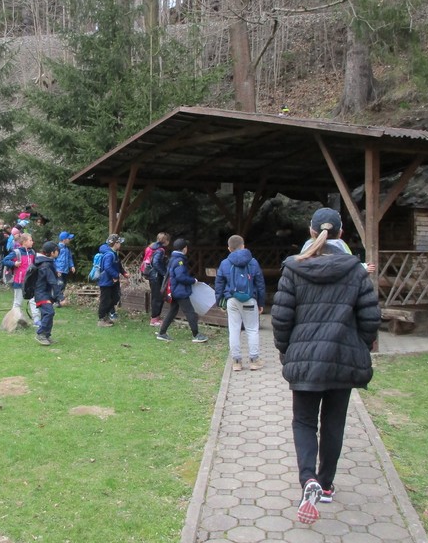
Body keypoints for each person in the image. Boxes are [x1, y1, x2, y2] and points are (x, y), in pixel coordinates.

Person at [271, 207, 381, 524]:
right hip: (342, 361)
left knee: (304, 422)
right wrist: (357, 347)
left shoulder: (294, 268)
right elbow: (370, 318)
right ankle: (327, 483)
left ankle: (308, 479)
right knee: (334, 423)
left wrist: (287, 351)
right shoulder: (356, 271)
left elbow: (281, 318)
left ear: (311, 231)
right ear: (341, 234)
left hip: (305, 360)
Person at [214, 234, 267, 371]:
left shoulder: (225, 263)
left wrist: (219, 301)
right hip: (250, 299)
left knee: (234, 329)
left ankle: (236, 361)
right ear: (243, 246)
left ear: (229, 248)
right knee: (252, 329)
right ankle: (254, 360)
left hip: (232, 300)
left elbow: (219, 284)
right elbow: (260, 284)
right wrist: (261, 303)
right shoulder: (253, 262)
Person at [155, 239, 208, 343]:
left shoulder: (173, 258)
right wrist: (193, 280)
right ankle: (196, 335)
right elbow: (180, 277)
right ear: (185, 249)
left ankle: (162, 333)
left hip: (174, 289)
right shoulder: (180, 260)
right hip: (180, 291)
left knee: (173, 311)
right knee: (190, 312)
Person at [1, 232, 40, 325]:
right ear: (24, 242)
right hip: (19, 281)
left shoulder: (32, 252)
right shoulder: (17, 252)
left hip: (30, 282)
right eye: (30, 240)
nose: (32, 242)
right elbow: (4, 260)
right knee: (17, 302)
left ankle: (37, 320)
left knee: (33, 300)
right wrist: (14, 264)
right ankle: (13, 321)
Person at [33, 241, 64, 345]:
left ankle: (46, 335)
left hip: (45, 293)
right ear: (52, 252)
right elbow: (52, 282)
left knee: (47, 313)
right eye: (57, 250)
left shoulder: (46, 262)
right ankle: (40, 334)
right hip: (41, 294)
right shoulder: (45, 264)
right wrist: (60, 297)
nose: (58, 252)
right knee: (49, 312)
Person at [95, 234, 125, 327]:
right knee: (105, 300)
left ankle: (106, 316)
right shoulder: (109, 254)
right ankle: (101, 319)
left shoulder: (114, 253)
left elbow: (118, 265)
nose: (120, 244)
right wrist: (115, 275)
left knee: (116, 297)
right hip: (106, 282)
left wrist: (124, 273)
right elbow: (107, 267)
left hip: (112, 282)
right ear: (115, 243)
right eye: (119, 242)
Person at [145, 232, 170, 326]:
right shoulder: (160, 250)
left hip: (151, 275)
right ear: (166, 241)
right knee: (157, 297)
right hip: (156, 276)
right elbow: (156, 263)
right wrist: (164, 273)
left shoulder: (151, 247)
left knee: (156, 296)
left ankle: (156, 317)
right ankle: (154, 319)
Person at [54, 231, 76, 302]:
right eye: (68, 239)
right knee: (59, 285)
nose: (70, 240)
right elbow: (53, 259)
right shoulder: (57, 248)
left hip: (65, 270)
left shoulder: (67, 249)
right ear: (64, 239)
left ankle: (60, 300)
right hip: (59, 271)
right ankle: (57, 300)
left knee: (63, 285)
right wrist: (56, 270)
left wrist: (72, 266)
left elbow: (69, 258)